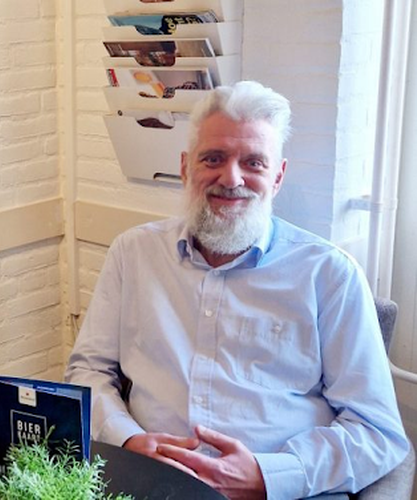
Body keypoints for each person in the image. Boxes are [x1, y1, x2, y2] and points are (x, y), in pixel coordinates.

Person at [65, 81, 409, 499]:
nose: (232, 178)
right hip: (148, 483)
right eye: (213, 158)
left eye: (253, 162)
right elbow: (88, 372)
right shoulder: (132, 253)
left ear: (277, 177)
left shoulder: (330, 275)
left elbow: (378, 433)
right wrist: (128, 439)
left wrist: (270, 475)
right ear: (185, 167)